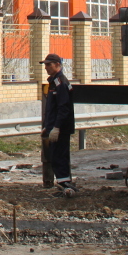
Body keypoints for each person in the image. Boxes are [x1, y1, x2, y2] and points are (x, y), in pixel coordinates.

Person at [41, 53, 77, 195]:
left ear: (57, 65)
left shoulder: (60, 83)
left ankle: (65, 185)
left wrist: (56, 128)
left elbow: (63, 108)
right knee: (57, 156)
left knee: (59, 156)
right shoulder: (54, 82)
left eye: (48, 65)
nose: (46, 68)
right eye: (45, 65)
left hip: (60, 128)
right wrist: (47, 127)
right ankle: (64, 184)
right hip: (54, 127)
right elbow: (51, 108)